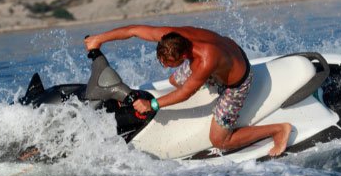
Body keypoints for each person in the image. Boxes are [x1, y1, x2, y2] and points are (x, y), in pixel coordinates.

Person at [84, 25, 292, 157]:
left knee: (219, 140)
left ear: (184, 55)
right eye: (162, 60)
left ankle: (278, 130)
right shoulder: (174, 36)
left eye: (169, 62)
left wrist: (152, 105)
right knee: (174, 79)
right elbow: (134, 31)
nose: (164, 65)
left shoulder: (205, 61)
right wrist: (100, 39)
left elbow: (186, 93)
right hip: (222, 57)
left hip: (235, 83)